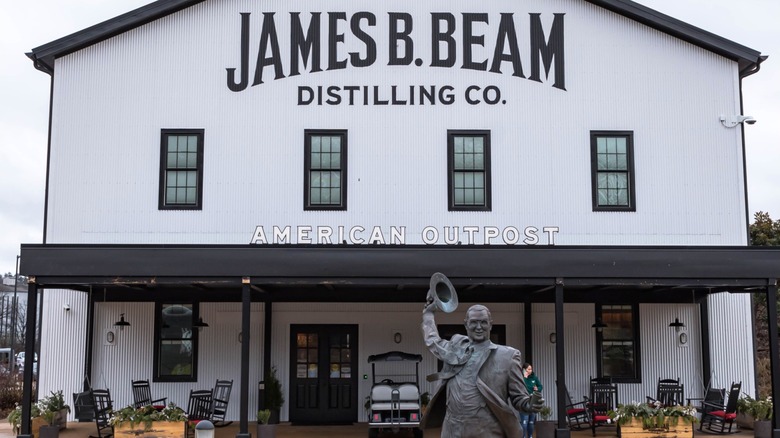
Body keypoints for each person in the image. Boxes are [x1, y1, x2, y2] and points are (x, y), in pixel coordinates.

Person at [421, 299, 544, 438]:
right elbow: (432, 340)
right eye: (473, 322)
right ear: (466, 324)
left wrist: (530, 405)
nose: (478, 327)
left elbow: (519, 398)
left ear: (491, 325)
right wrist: (428, 314)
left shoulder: (508, 357)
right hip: (452, 431)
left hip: (487, 432)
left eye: (483, 322)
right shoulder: (454, 349)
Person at [519, 363, 543, 438]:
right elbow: (521, 387)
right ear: (524, 370)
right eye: (528, 369)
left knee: (531, 422)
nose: (530, 371)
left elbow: (540, 386)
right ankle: (523, 436)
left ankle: (530, 436)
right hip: (524, 401)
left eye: (531, 369)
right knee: (524, 422)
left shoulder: (534, 378)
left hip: (533, 401)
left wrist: (537, 389)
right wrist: (524, 377)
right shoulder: (520, 378)